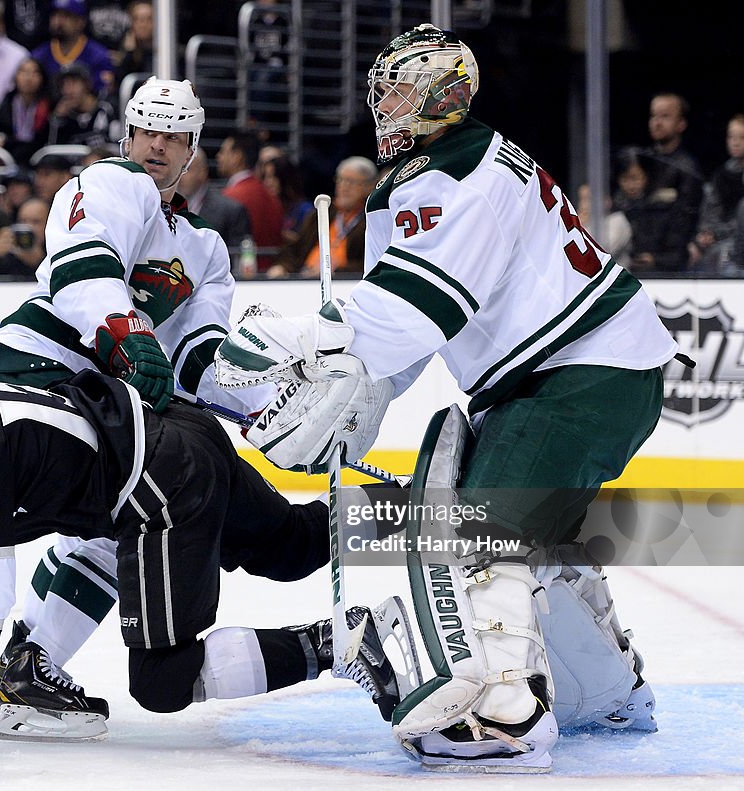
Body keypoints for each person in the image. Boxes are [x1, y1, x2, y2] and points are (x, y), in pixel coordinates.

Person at [215, 24, 676, 772]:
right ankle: (604, 692)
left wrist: (306, 337)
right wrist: (365, 392)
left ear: (443, 95)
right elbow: (404, 327)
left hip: (580, 370)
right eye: (381, 92)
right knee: (529, 542)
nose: (383, 105)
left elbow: (414, 311)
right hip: (576, 371)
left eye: (398, 89)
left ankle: (507, 718)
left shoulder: (464, 173)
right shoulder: (426, 176)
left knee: (479, 537)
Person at [0, 331, 396, 744]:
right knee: (292, 547)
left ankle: (340, 644)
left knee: (163, 681)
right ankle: (445, 512)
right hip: (173, 429)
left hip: (159, 489)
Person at [0, 78, 279, 726]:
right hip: (39, 367)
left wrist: (270, 408)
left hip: (94, 395)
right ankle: (26, 666)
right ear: (127, 134)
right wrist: (131, 337)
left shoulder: (206, 250)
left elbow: (198, 357)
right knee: (131, 509)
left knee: (115, 515)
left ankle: (22, 661)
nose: (156, 145)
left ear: (192, 147)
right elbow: (83, 266)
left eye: (172, 135)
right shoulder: (111, 183)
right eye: (147, 130)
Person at [630, 93, 704, 272]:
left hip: (669, 258)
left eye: (665, 116)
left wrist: (659, 259)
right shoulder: (642, 162)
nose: (657, 122)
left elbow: (685, 220)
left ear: (681, 124)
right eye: (653, 116)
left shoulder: (687, 168)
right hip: (635, 249)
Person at [267, 156, 375, 278]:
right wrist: (282, 266)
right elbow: (294, 249)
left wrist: (336, 270)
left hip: (344, 283)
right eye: (340, 180)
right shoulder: (322, 213)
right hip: (304, 279)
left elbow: (372, 262)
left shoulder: (373, 220)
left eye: (351, 182)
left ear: (369, 187)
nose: (344, 187)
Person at [216, 130, 284, 271]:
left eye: (223, 152)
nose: (218, 156)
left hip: (239, 277)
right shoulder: (272, 197)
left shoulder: (229, 198)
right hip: (271, 277)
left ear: (237, 156)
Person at [690, 114, 744, 275]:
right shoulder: (721, 175)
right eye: (731, 137)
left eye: (742, 137)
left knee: (723, 255)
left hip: (736, 242)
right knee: (696, 251)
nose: (735, 142)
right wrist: (707, 233)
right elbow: (710, 210)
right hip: (722, 238)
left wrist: (719, 234)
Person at [31, 0, 114, 98]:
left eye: (66, 16)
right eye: (55, 15)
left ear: (81, 22)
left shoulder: (99, 56)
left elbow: (102, 95)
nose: (58, 21)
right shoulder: (39, 55)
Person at [178, 148, 250, 255]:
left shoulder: (231, 210)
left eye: (187, 169)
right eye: (178, 169)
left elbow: (236, 259)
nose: (180, 175)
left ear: (202, 172)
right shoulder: (165, 205)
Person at [0, 58, 52, 169]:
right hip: (12, 151)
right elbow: (1, 131)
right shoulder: (7, 102)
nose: (28, 78)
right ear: (16, 76)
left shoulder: (50, 104)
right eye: (24, 72)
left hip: (39, 152)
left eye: (34, 73)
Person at [45, 63, 118, 148]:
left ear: (87, 84)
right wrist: (58, 120)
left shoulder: (107, 108)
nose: (67, 90)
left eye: (73, 83)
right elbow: (53, 151)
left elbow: (118, 144)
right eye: (63, 85)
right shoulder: (63, 116)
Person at [0, 197, 50, 278]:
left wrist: (38, 262)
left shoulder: (55, 251)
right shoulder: (9, 253)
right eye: (23, 221)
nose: (28, 227)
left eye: (36, 222)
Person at [260, 154, 312, 246]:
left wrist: (281, 234)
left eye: (273, 176)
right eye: (265, 177)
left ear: (285, 177)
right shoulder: (264, 208)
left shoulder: (305, 210)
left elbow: (308, 244)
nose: (268, 182)